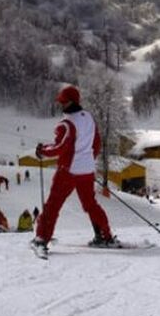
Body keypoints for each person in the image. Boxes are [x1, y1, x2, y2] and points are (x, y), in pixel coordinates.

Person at [32, 85, 115, 250]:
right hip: (87, 170)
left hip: (68, 171)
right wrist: (87, 160)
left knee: (53, 205)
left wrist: (42, 151)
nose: (61, 105)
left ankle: (41, 239)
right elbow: (96, 143)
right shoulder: (89, 118)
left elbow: (60, 148)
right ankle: (106, 236)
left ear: (71, 102)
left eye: (63, 102)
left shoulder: (66, 124)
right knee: (90, 204)